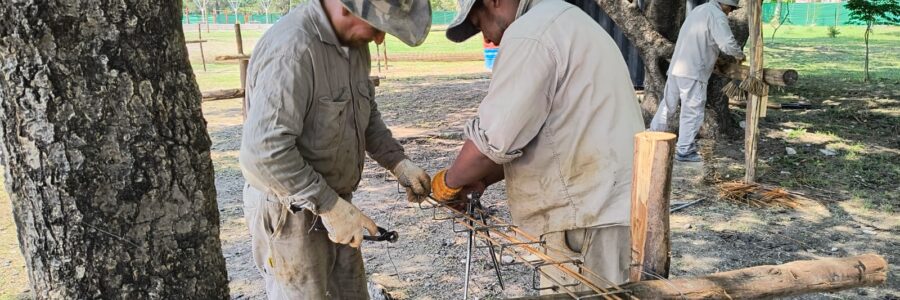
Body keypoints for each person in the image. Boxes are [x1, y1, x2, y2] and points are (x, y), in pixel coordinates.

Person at [430, 0, 645, 290]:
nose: (488, 38)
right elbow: (542, 133)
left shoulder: (530, 34)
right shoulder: (564, 20)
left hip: (585, 220)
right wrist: (482, 179)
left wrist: (448, 183)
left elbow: (490, 142)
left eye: (480, 24)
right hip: (606, 209)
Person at [238, 0, 432, 297]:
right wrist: (329, 206)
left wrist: (398, 162)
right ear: (347, 7)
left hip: (335, 204)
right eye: (378, 27)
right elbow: (264, 153)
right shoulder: (293, 50)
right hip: (290, 211)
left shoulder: (354, 46)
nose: (380, 39)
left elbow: (365, 115)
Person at [649, 0, 746, 162]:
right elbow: (727, 43)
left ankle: (652, 138)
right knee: (692, 112)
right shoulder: (717, 15)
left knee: (668, 105)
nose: (730, 12)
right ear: (725, 4)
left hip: (677, 68)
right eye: (731, 8)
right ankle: (685, 150)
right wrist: (740, 55)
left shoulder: (700, 10)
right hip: (693, 71)